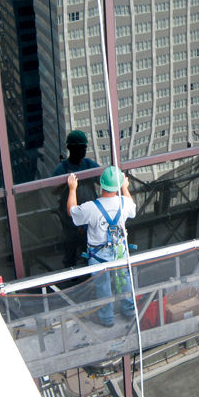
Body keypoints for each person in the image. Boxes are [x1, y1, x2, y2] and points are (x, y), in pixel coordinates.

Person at [67, 166, 136, 327]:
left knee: (103, 286)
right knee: (124, 280)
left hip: (98, 256)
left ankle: (106, 319)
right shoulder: (124, 202)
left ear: (101, 184)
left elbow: (72, 212)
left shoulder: (91, 208)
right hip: (119, 251)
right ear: (118, 186)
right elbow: (132, 211)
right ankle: (129, 310)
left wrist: (72, 189)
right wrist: (125, 188)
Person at [53, 130, 99, 268]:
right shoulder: (62, 168)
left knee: (90, 248)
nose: (81, 151)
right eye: (78, 148)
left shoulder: (88, 164)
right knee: (71, 248)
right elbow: (53, 190)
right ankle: (71, 275)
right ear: (70, 148)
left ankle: (90, 269)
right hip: (71, 220)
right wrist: (64, 181)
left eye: (83, 148)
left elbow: (102, 179)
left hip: (89, 217)